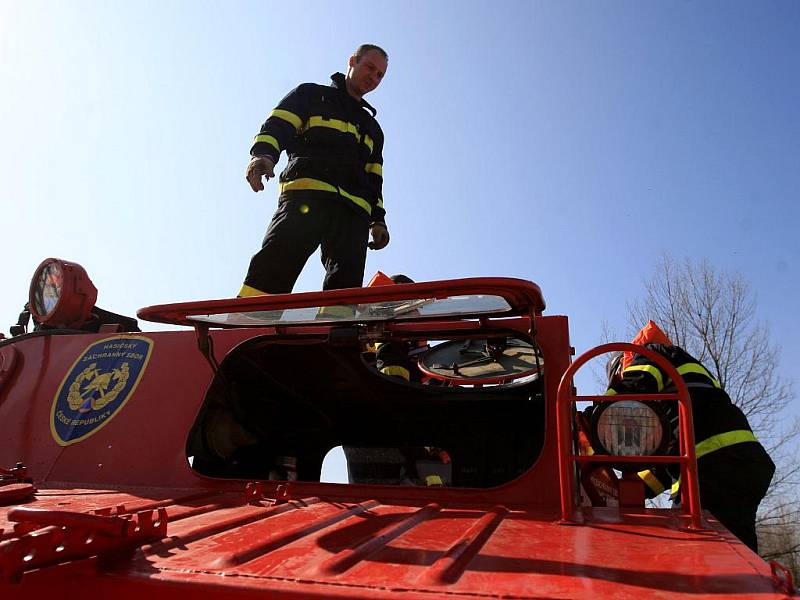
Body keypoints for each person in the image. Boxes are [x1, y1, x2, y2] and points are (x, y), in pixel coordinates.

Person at [605, 320, 775, 553]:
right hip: (745, 463)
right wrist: (625, 491)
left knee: (695, 549)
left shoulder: (651, 354)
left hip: (710, 466)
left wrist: (596, 412)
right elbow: (667, 464)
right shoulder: (679, 382)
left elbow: (635, 386)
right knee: (738, 550)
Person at [239, 44, 390, 297]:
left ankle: (339, 333)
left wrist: (378, 219)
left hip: (354, 214)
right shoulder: (310, 95)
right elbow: (278, 126)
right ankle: (246, 326)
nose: (373, 78)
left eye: (380, 75)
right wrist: (263, 156)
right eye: (370, 68)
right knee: (274, 267)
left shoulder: (373, 129)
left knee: (345, 291)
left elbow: (374, 178)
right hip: (306, 196)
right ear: (352, 61)